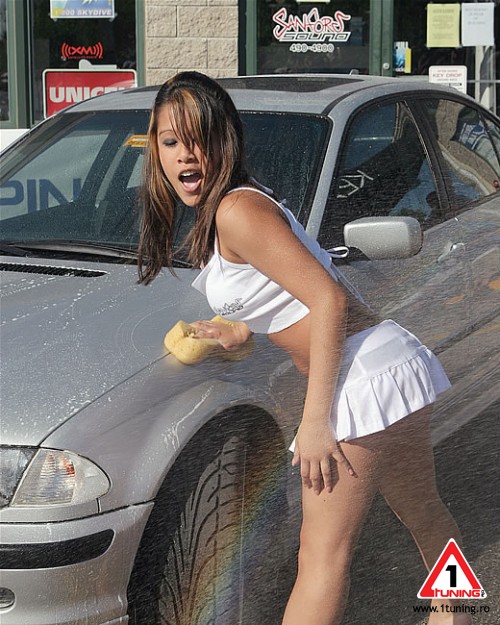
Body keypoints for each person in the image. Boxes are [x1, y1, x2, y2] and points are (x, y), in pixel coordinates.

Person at [138, 71, 470, 625]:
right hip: (386, 363)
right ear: (155, 150)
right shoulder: (237, 205)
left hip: (359, 380)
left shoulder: (236, 211)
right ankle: (456, 613)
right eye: (171, 142)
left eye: (199, 139)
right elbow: (290, 289)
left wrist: (316, 423)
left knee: (321, 557)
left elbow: (328, 300)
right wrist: (240, 330)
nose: (185, 155)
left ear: (226, 140)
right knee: (423, 512)